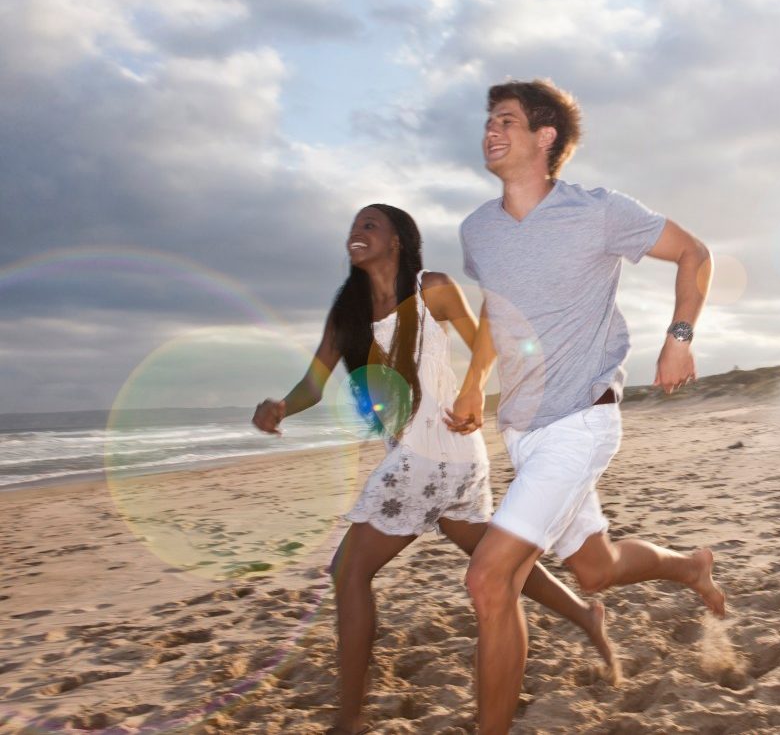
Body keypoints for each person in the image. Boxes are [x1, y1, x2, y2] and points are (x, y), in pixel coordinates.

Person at [251, 204, 615, 735]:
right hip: (440, 458)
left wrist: (475, 393)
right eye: (354, 226)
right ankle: (586, 616)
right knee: (495, 557)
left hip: (437, 446)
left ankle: (348, 719)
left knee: (348, 572)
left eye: (370, 225)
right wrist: (282, 406)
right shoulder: (346, 315)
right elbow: (313, 383)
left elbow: (486, 344)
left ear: (398, 239)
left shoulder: (432, 288)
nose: (358, 232)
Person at [448, 79, 726, 734]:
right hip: (522, 432)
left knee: (491, 581)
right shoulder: (477, 230)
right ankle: (690, 566)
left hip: (583, 420)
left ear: (545, 138)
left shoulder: (598, 212)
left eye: (507, 121)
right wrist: (472, 383)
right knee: (594, 570)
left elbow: (695, 252)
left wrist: (679, 339)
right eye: (489, 121)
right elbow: (497, 307)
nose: (491, 131)